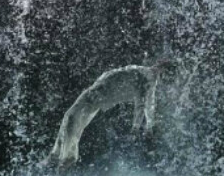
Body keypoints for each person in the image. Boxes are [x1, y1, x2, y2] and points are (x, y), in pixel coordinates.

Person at [44, 60, 178, 169]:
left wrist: (141, 127)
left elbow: (144, 104)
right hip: (96, 96)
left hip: (96, 96)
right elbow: (145, 103)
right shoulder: (145, 74)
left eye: (162, 72)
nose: (158, 73)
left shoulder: (148, 78)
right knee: (71, 121)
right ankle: (58, 157)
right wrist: (145, 126)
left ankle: (63, 159)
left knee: (71, 120)